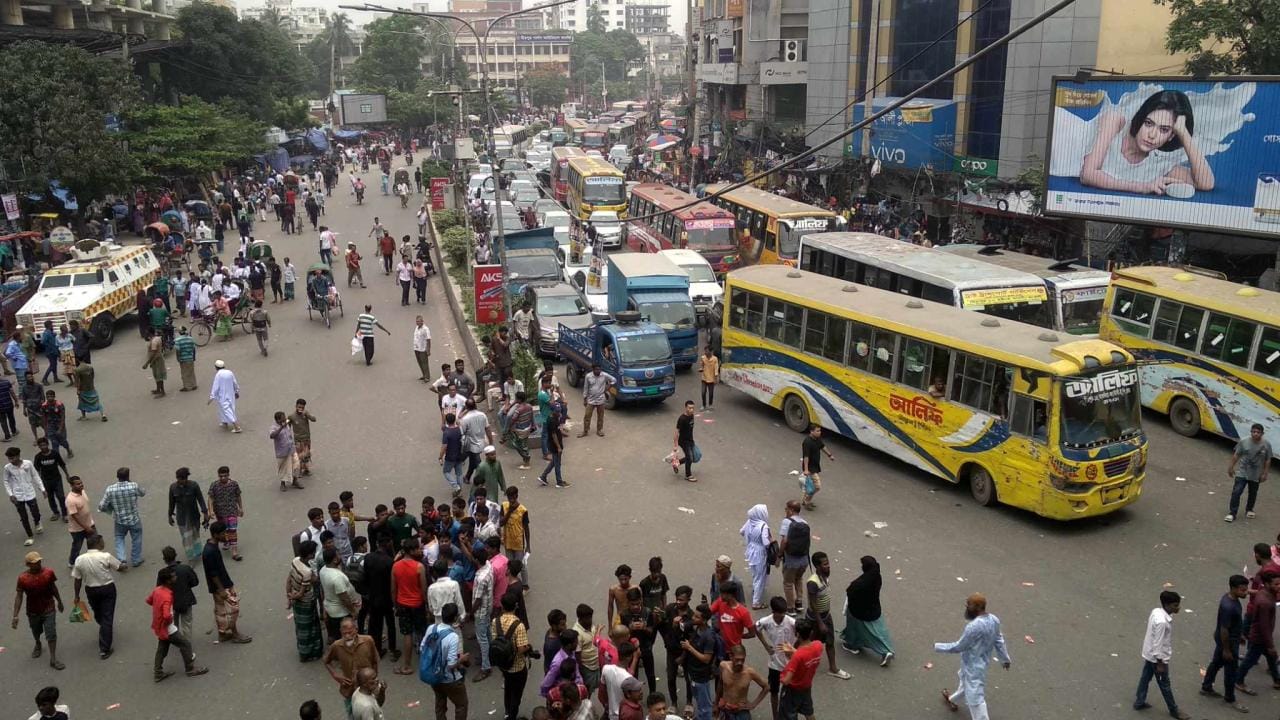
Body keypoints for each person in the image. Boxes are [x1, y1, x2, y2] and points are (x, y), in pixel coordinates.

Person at [1079, 89, 1214, 196]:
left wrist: (1184, 133)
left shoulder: (1156, 166)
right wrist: (1141, 187)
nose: (1152, 135)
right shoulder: (1115, 120)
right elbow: (1088, 175)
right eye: (1148, 123)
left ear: (1172, 135)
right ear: (1141, 118)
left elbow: (1206, 183)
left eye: (1164, 129)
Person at [936, 593, 1012, 720]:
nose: (966, 609)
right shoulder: (994, 619)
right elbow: (999, 640)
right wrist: (1005, 659)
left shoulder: (973, 627)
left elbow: (959, 647)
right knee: (965, 684)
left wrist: (938, 646)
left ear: (976, 608)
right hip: (980, 663)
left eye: (968, 606)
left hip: (973, 667)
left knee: (976, 700)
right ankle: (951, 699)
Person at [148, 566, 210, 681]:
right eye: (173, 576)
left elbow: (149, 600)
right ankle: (190, 668)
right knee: (185, 644)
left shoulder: (157, 591)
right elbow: (167, 615)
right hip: (168, 628)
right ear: (168, 580)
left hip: (159, 627)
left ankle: (158, 672)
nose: (175, 577)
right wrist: (169, 620)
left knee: (162, 649)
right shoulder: (167, 595)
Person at [1201, 574, 1250, 713]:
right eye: (1242, 590)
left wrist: (1239, 633)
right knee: (1231, 670)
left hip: (1228, 639)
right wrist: (1227, 650)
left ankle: (1206, 686)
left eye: (1246, 589)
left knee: (1216, 663)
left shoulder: (1229, 599)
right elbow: (1224, 629)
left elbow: (1230, 624)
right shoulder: (1229, 606)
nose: (1245, 592)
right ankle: (1230, 698)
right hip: (1228, 642)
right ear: (1233, 589)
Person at [12, 551, 65, 670]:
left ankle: (53, 658)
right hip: (33, 611)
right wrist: (15, 615)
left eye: (39, 561)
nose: (38, 564)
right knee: (36, 631)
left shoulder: (48, 573)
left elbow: (53, 588)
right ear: (28, 565)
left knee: (51, 633)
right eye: (35, 562)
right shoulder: (23, 578)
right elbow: (19, 596)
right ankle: (37, 643)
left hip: (49, 608)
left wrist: (59, 601)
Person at [71, 533, 120, 658]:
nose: (104, 544)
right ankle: (104, 649)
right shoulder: (105, 556)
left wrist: (77, 595)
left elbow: (77, 579)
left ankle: (104, 628)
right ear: (97, 544)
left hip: (91, 590)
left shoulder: (79, 559)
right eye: (102, 542)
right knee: (107, 616)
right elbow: (119, 567)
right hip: (107, 588)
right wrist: (124, 567)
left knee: (98, 613)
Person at [202, 520, 252, 643]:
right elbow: (213, 573)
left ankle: (223, 633)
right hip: (221, 586)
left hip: (221, 584)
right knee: (232, 609)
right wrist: (222, 589)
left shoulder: (212, 547)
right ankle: (235, 634)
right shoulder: (210, 552)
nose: (226, 536)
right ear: (215, 535)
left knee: (221, 611)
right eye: (223, 534)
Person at [840, 555, 894, 666]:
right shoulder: (876, 577)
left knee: (855, 629)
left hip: (858, 612)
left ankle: (853, 645)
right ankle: (886, 649)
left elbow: (851, 592)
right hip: (873, 609)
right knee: (878, 632)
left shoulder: (860, 584)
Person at [804, 552, 849, 679]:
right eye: (825, 564)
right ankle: (794, 659)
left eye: (828, 563)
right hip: (815, 619)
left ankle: (833, 668)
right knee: (807, 643)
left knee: (830, 642)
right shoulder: (812, 583)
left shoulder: (825, 576)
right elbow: (813, 604)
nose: (828, 566)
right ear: (817, 566)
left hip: (826, 616)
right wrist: (820, 623)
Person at [322, 617, 379, 717]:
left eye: (350, 632)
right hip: (350, 688)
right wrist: (336, 675)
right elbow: (326, 660)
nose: (348, 636)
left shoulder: (368, 641)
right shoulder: (336, 646)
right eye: (344, 633)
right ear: (340, 632)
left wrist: (374, 678)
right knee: (352, 713)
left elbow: (375, 660)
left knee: (371, 711)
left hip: (368, 687)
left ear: (356, 630)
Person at [1237, 571, 1280, 695]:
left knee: (1271, 657)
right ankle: (1238, 680)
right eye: (1276, 584)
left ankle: (1277, 680)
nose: (1279, 586)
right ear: (1267, 584)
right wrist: (1270, 645)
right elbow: (1264, 626)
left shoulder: (1266, 593)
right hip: (1260, 638)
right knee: (1250, 660)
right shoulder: (1265, 602)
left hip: (1261, 636)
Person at [392, 537, 429, 675]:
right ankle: (429, 663)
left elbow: (393, 589)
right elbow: (424, 589)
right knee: (424, 633)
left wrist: (395, 605)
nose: (420, 550)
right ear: (412, 550)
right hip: (418, 604)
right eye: (418, 548)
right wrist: (426, 607)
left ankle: (406, 666)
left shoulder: (396, 566)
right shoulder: (419, 567)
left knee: (407, 634)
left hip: (402, 604)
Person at [426, 602, 470, 720]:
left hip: (434, 676)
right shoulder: (453, 636)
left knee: (440, 704)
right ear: (455, 618)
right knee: (461, 704)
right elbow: (451, 665)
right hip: (450, 679)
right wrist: (462, 659)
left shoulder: (431, 628)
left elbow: (422, 648)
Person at [98, 467, 146, 567]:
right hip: (134, 519)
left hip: (119, 520)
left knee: (119, 538)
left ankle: (122, 559)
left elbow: (102, 506)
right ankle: (136, 559)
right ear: (128, 476)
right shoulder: (133, 486)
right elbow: (142, 493)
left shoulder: (110, 489)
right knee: (136, 538)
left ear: (117, 477)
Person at [777, 618, 823, 720]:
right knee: (809, 713)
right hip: (806, 687)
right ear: (811, 633)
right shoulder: (818, 645)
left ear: (797, 634)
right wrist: (793, 651)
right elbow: (806, 655)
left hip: (793, 690)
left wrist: (781, 675)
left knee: (788, 715)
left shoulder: (797, 657)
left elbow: (786, 681)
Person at [1226, 423, 1272, 522]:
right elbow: (1236, 455)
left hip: (1256, 474)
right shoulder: (1244, 441)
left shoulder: (1266, 444)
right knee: (1236, 492)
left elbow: (1268, 460)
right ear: (1251, 432)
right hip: (1242, 472)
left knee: (1253, 493)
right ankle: (1232, 513)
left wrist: (1265, 473)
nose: (1255, 434)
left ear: (1262, 433)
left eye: (1258, 432)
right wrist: (1231, 467)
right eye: (1253, 432)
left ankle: (1249, 509)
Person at [5, 445, 46, 546]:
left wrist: (42, 488)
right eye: (9, 458)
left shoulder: (28, 464)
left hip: (29, 493)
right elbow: (6, 481)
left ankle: (37, 522)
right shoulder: (8, 468)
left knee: (35, 512)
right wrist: (10, 494)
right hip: (17, 495)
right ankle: (30, 536)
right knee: (23, 516)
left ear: (18, 456)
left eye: (12, 457)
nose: (11, 460)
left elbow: (35, 475)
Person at [158, 545, 199, 640]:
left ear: (164, 559)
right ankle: (186, 645)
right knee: (187, 624)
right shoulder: (185, 568)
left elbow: (159, 589)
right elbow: (195, 582)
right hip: (186, 601)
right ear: (175, 555)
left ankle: (175, 640)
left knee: (172, 623)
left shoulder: (163, 573)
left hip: (170, 603)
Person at [168, 467, 207, 561]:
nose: (182, 481)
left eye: (184, 479)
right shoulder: (173, 488)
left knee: (195, 534)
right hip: (181, 517)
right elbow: (171, 503)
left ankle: (198, 552)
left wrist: (205, 513)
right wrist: (169, 515)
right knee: (186, 537)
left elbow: (200, 499)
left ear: (187, 478)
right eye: (180, 479)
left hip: (194, 515)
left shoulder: (194, 485)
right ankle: (190, 556)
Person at [206, 466, 243, 561]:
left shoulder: (234, 484)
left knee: (232, 530)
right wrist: (210, 510)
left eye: (225, 476)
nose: (223, 478)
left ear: (228, 475)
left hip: (232, 511)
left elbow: (238, 496)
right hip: (220, 513)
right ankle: (226, 541)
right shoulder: (214, 485)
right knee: (224, 530)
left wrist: (240, 508)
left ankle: (234, 552)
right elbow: (210, 498)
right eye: (221, 476)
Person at [779, 501, 810, 614]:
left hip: (791, 560)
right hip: (804, 560)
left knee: (788, 583)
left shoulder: (787, 522)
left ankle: (790, 607)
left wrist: (779, 554)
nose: (785, 511)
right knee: (799, 579)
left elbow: (785, 541)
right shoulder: (804, 523)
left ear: (791, 510)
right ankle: (799, 603)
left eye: (786, 509)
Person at [739, 504, 772, 609]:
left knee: (754, 572)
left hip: (751, 549)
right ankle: (756, 602)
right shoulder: (763, 526)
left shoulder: (750, 521)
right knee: (760, 576)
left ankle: (755, 589)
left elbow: (742, 531)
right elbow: (766, 543)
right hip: (760, 552)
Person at [800, 425, 833, 510]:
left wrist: (829, 455)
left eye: (820, 431)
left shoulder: (817, 439)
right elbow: (806, 457)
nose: (819, 432)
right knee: (817, 486)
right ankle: (807, 501)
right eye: (817, 431)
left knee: (810, 485)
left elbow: (822, 446)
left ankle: (805, 500)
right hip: (810, 468)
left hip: (815, 466)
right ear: (811, 431)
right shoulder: (807, 442)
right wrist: (806, 469)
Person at [64, 476, 93, 567]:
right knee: (77, 546)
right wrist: (86, 527)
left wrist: (89, 524)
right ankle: (72, 562)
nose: (81, 485)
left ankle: (93, 561)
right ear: (72, 486)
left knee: (94, 542)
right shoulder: (70, 500)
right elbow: (74, 516)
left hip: (89, 523)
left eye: (81, 483)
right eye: (78, 484)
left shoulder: (83, 492)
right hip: (77, 529)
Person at [579, 364, 614, 438]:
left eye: (599, 369)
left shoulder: (604, 375)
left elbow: (614, 380)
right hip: (591, 400)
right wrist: (585, 399)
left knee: (600, 416)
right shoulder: (588, 376)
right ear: (593, 369)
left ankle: (599, 430)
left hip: (601, 399)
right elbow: (586, 388)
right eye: (596, 369)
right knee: (587, 416)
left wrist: (608, 386)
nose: (598, 371)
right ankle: (585, 431)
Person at [207, 360, 242, 432]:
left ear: (216, 367)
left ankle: (237, 427)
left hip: (222, 395)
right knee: (228, 408)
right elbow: (234, 382)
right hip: (230, 394)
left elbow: (215, 386)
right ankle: (224, 422)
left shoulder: (218, 375)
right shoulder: (230, 372)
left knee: (226, 409)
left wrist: (211, 397)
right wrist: (236, 391)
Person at [271, 411, 301, 492]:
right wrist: (281, 427)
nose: (285, 419)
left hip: (291, 449)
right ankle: (282, 484)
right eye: (283, 418)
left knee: (296, 465)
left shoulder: (286, 424)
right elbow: (272, 435)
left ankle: (295, 481)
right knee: (283, 469)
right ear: (278, 420)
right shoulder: (274, 427)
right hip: (282, 452)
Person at [539, 409, 567, 488]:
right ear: (553, 411)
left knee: (554, 462)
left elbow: (557, 431)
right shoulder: (552, 421)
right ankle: (559, 482)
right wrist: (558, 447)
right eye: (558, 412)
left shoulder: (553, 418)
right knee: (557, 463)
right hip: (554, 445)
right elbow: (554, 435)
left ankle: (543, 477)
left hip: (555, 444)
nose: (559, 413)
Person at [40, 389, 70, 458]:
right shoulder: (44, 406)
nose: (50, 398)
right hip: (51, 426)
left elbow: (63, 417)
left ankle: (68, 450)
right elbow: (44, 418)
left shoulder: (59, 405)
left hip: (59, 425)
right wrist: (45, 430)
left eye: (51, 396)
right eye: (48, 396)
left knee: (63, 441)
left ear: (54, 396)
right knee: (54, 443)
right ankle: (57, 458)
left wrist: (60, 429)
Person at [292, 399, 317, 477]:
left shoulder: (305, 414)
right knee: (299, 456)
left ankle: (306, 469)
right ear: (296, 406)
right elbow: (287, 426)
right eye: (299, 407)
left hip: (306, 439)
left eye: (302, 408)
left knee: (306, 455)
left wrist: (307, 415)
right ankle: (299, 471)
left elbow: (314, 419)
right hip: (298, 440)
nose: (300, 409)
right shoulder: (291, 416)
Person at [673, 400, 697, 482]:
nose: (691, 410)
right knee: (689, 458)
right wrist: (675, 445)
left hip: (690, 440)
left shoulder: (692, 416)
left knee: (693, 456)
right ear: (685, 408)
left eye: (693, 408)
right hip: (683, 442)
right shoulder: (682, 419)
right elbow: (676, 432)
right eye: (689, 408)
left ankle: (676, 463)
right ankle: (688, 475)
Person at [174, 326, 198, 391]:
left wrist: (178, 358)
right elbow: (193, 349)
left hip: (183, 359)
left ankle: (187, 386)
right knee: (191, 372)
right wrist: (194, 357)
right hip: (190, 358)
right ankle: (194, 385)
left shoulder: (177, 340)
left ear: (179, 332)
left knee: (184, 373)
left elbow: (178, 350)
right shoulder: (191, 339)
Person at [697, 346, 719, 411]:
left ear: (710, 351)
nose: (705, 352)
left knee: (711, 393)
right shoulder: (703, 358)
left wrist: (716, 378)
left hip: (711, 379)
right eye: (705, 351)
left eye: (706, 351)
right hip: (704, 378)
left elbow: (716, 368)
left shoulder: (715, 359)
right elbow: (702, 366)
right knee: (703, 392)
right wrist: (701, 369)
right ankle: (704, 405)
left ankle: (710, 405)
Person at [414, 316, 433, 383]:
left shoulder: (425, 329)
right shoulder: (417, 327)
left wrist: (428, 350)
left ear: (422, 321)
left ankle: (427, 377)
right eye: (417, 321)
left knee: (424, 363)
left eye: (419, 321)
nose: (417, 322)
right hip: (416, 348)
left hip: (423, 349)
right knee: (420, 362)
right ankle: (424, 375)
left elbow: (428, 340)